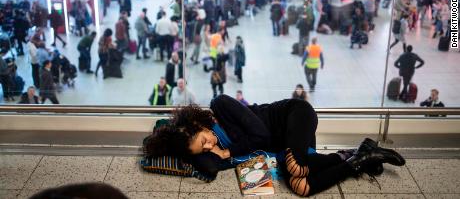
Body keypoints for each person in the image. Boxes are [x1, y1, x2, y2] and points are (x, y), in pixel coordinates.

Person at [143, 95, 406, 197]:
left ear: (197, 125)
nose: (210, 145)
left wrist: (230, 151)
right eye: (203, 149)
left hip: (294, 116)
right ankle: (360, 160)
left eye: (204, 140)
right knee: (300, 186)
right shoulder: (207, 148)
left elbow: (261, 135)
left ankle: (358, 155)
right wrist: (178, 147)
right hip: (287, 147)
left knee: (294, 165)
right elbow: (208, 168)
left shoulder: (220, 105)